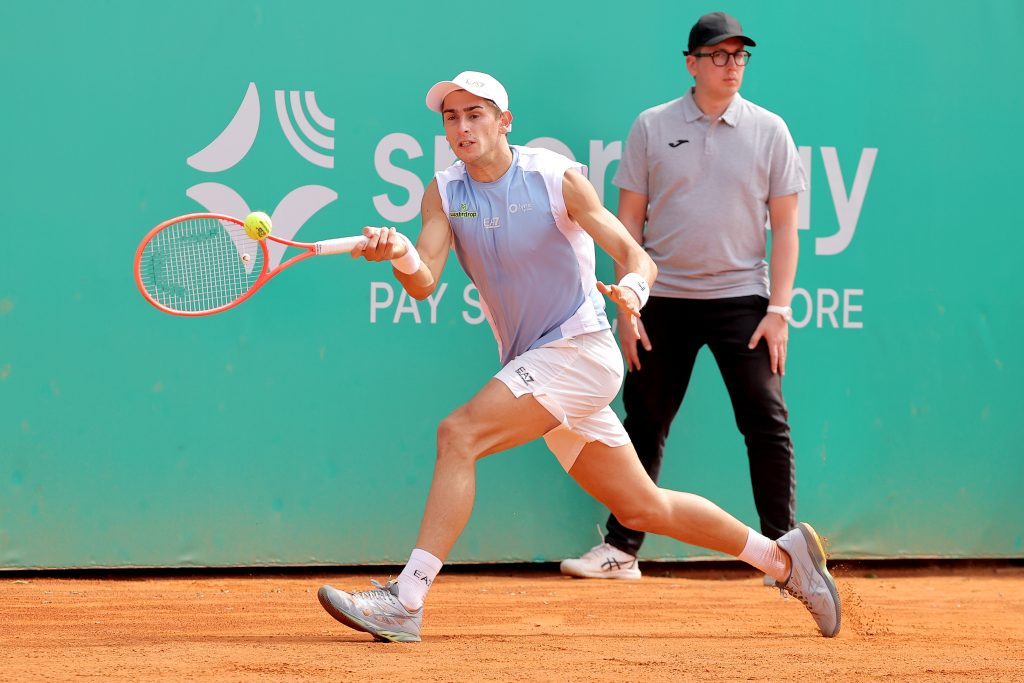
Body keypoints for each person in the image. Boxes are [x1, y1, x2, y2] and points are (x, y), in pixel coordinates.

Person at [316, 70, 839, 642]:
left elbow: (637, 257)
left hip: (579, 349)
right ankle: (786, 561)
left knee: (459, 435)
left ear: (504, 122)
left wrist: (633, 291)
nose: (462, 128)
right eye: (451, 118)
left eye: (475, 114)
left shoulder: (554, 177)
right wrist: (399, 253)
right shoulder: (444, 192)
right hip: (539, 362)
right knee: (643, 508)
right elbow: (424, 280)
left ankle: (406, 599)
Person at [561, 11, 806, 582]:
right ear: (691, 64)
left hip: (743, 300)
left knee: (767, 420)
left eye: (739, 55)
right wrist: (629, 306)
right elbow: (626, 223)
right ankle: (621, 549)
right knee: (644, 419)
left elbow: (786, 227)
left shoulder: (771, 130)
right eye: (718, 55)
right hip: (662, 299)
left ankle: (784, 557)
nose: (731, 66)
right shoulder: (651, 126)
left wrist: (779, 310)